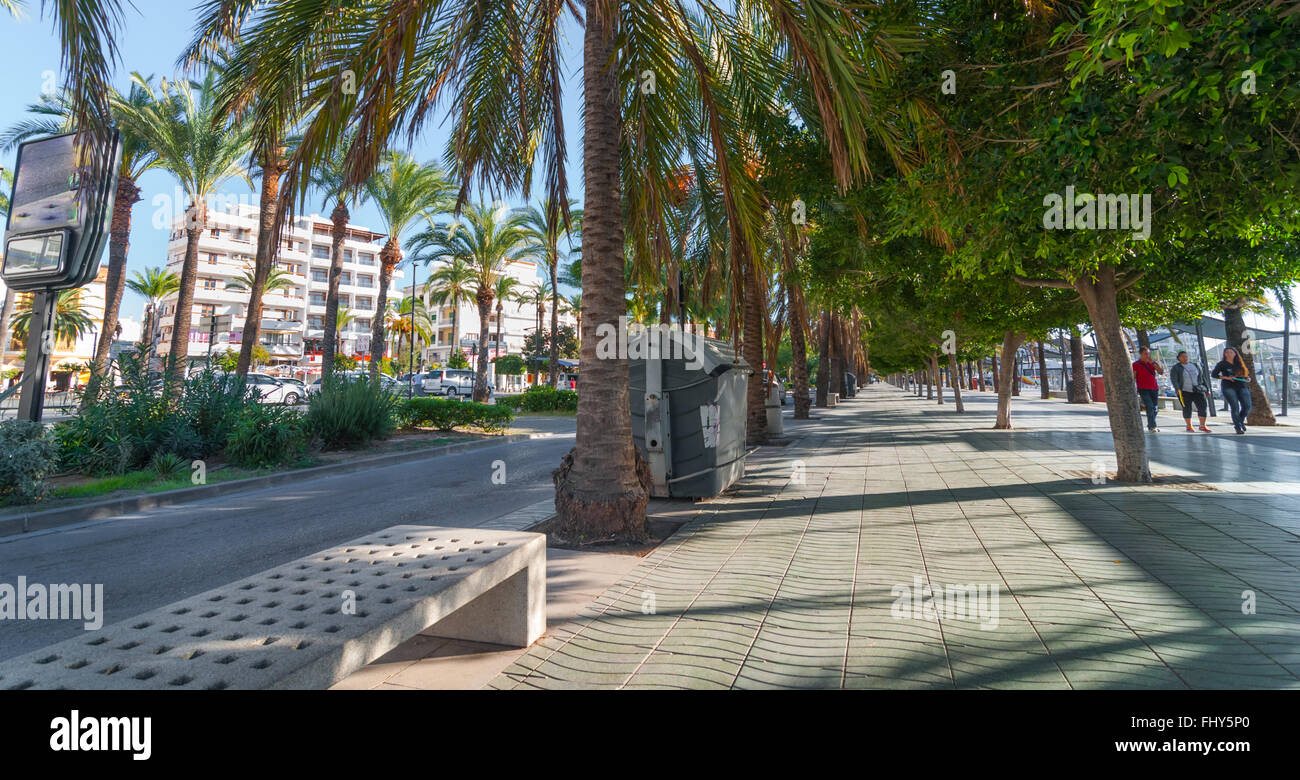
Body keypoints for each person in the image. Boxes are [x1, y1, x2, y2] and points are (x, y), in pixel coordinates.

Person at [1212, 347, 1253, 434]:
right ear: (1224, 354)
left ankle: (1240, 421)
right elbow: (1214, 374)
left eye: (1231, 352)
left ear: (1235, 354)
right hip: (1228, 386)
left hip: (1242, 385)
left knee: (1247, 406)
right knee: (1235, 407)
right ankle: (1238, 427)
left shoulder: (1239, 363)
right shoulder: (1222, 364)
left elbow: (1245, 375)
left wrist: (1247, 378)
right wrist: (1227, 377)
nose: (1229, 354)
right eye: (1227, 352)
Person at [1169, 350, 1210, 432]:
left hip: (1198, 390)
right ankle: (1189, 425)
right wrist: (1177, 389)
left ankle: (1202, 425)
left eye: (1186, 356)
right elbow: (1174, 379)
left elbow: (1202, 378)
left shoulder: (1195, 365)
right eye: (1183, 356)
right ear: (1179, 358)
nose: (1185, 358)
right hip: (1184, 391)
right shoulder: (1176, 367)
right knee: (1187, 408)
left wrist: (1207, 389)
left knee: (1203, 407)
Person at [1132, 347, 1165, 432]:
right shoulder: (1136, 364)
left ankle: (1150, 424)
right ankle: (1152, 427)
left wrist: (1154, 364)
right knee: (1150, 406)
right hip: (1143, 388)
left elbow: (1161, 372)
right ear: (1141, 354)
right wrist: (1134, 389)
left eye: (1148, 354)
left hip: (1154, 388)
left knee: (1155, 408)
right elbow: (1134, 377)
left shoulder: (1153, 363)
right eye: (1145, 354)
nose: (1147, 356)